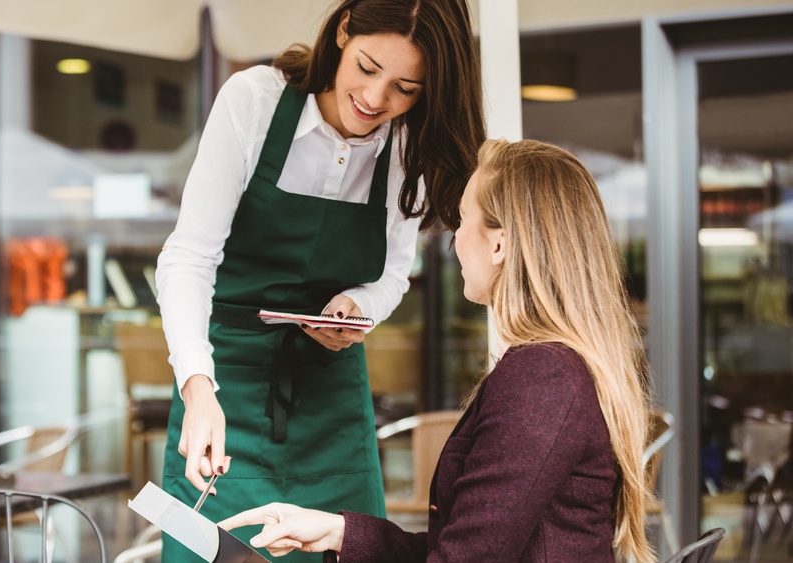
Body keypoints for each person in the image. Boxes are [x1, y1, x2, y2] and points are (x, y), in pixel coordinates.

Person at [219, 139, 656, 563]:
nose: (455, 239)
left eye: (463, 220)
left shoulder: (542, 377)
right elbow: (464, 544)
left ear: (499, 244)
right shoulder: (555, 369)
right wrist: (338, 532)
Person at [154, 0, 484, 560]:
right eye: (367, 67)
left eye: (406, 88)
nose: (376, 100)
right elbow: (188, 257)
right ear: (345, 29)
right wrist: (197, 389)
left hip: (332, 401)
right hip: (221, 389)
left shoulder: (408, 145)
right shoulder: (254, 101)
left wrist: (357, 306)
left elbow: (393, 276)